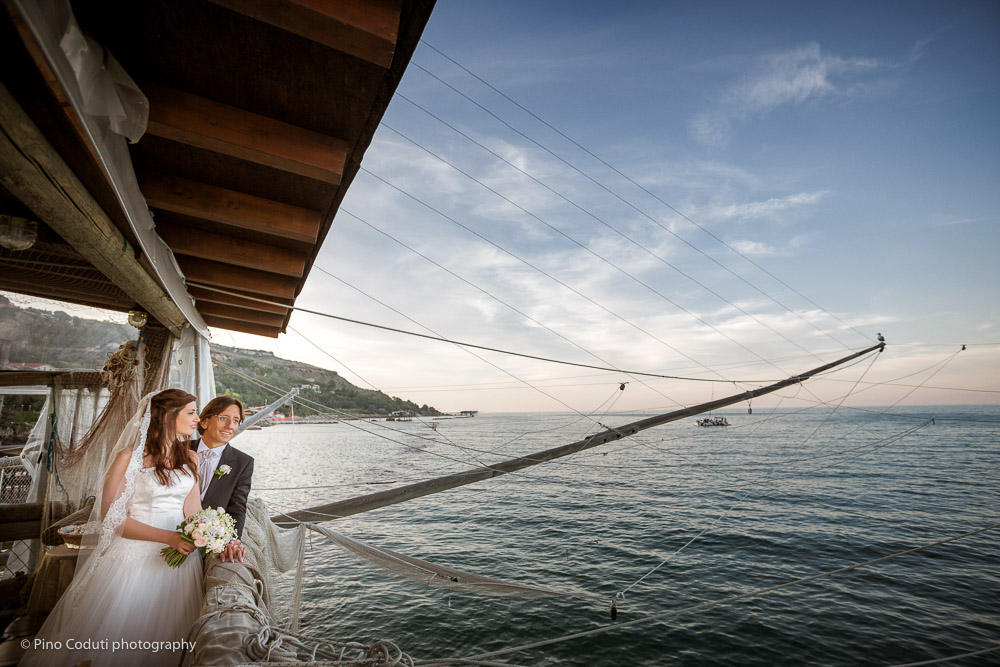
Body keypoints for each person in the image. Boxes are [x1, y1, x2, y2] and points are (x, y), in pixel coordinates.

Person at [20, 389, 204, 667]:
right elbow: (113, 519)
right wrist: (169, 537)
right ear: (167, 416)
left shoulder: (191, 459)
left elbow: (194, 511)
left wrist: (215, 537)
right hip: (136, 561)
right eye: (191, 412)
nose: (197, 419)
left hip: (180, 563)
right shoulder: (128, 458)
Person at [189, 396, 254, 563]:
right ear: (204, 422)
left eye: (236, 420)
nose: (230, 426)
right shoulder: (178, 449)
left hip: (206, 543)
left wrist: (232, 540)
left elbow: (237, 507)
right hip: (169, 531)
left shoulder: (243, 462)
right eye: (224, 418)